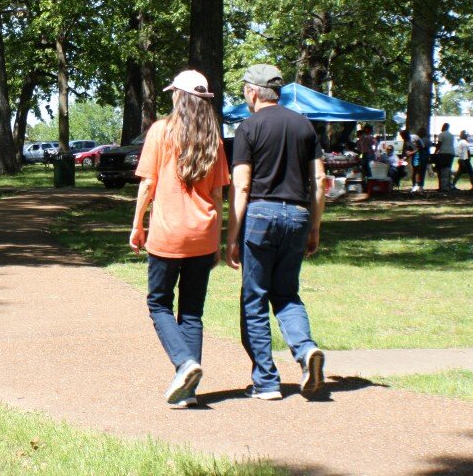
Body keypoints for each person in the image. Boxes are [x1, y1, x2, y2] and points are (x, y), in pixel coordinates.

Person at [130, 70, 230, 408]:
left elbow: (147, 184)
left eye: (174, 92)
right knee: (191, 312)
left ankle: (184, 365)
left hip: (168, 235)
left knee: (158, 303)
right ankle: (188, 389)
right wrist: (216, 240)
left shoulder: (161, 131)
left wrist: (137, 225)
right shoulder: (213, 138)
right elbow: (217, 196)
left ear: (180, 97)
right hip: (203, 235)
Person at [227, 63, 326, 401]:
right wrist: (314, 226)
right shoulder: (305, 126)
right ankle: (305, 349)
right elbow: (320, 183)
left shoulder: (248, 128)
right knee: (286, 294)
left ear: (253, 92)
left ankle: (267, 381)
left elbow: (241, 186)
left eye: (244, 90)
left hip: (259, 215)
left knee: (254, 299)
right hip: (297, 215)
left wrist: (232, 236)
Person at [434, 123, 456, 192]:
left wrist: (435, 153)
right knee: (448, 169)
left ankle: (443, 186)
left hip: (444, 153)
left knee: (441, 170)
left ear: (443, 127)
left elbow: (439, 145)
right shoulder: (451, 135)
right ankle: (448, 185)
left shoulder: (441, 134)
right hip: (451, 153)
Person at [411, 128, 429, 193]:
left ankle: (415, 185)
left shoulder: (416, 139)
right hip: (422, 158)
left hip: (417, 157)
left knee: (416, 172)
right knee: (421, 172)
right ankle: (420, 186)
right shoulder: (426, 140)